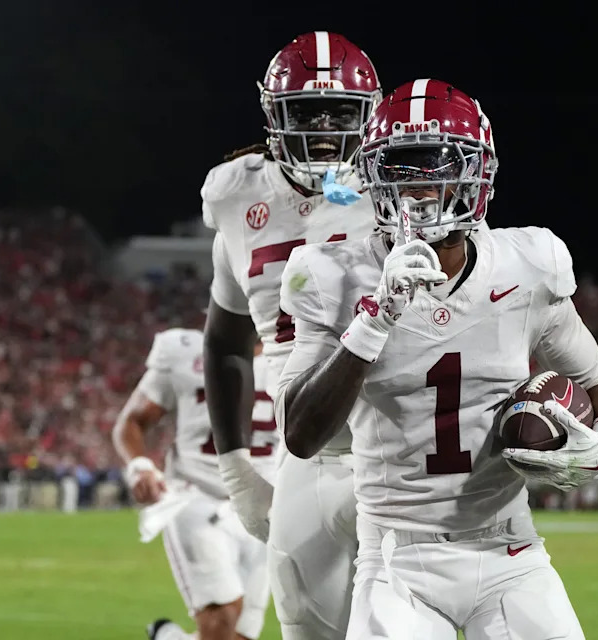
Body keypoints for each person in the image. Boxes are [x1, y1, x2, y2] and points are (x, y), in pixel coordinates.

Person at [275, 79, 598, 639]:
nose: (419, 187)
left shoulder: (526, 268)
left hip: (511, 550)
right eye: (402, 167)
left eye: (438, 164)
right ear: (373, 175)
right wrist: (376, 316)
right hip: (397, 560)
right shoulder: (333, 275)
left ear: (478, 174)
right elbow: (300, 432)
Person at [202, 32, 382, 640]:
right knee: (306, 628)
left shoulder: (402, 190)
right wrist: (236, 469)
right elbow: (226, 340)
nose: (325, 127)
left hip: (393, 442)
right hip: (301, 449)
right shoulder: (235, 194)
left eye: (341, 111)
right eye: (306, 110)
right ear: (274, 113)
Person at [113, 331, 277, 640]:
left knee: (242, 633)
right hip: (198, 497)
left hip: (265, 507)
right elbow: (132, 421)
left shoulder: (294, 351)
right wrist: (140, 466)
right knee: (222, 617)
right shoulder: (186, 351)